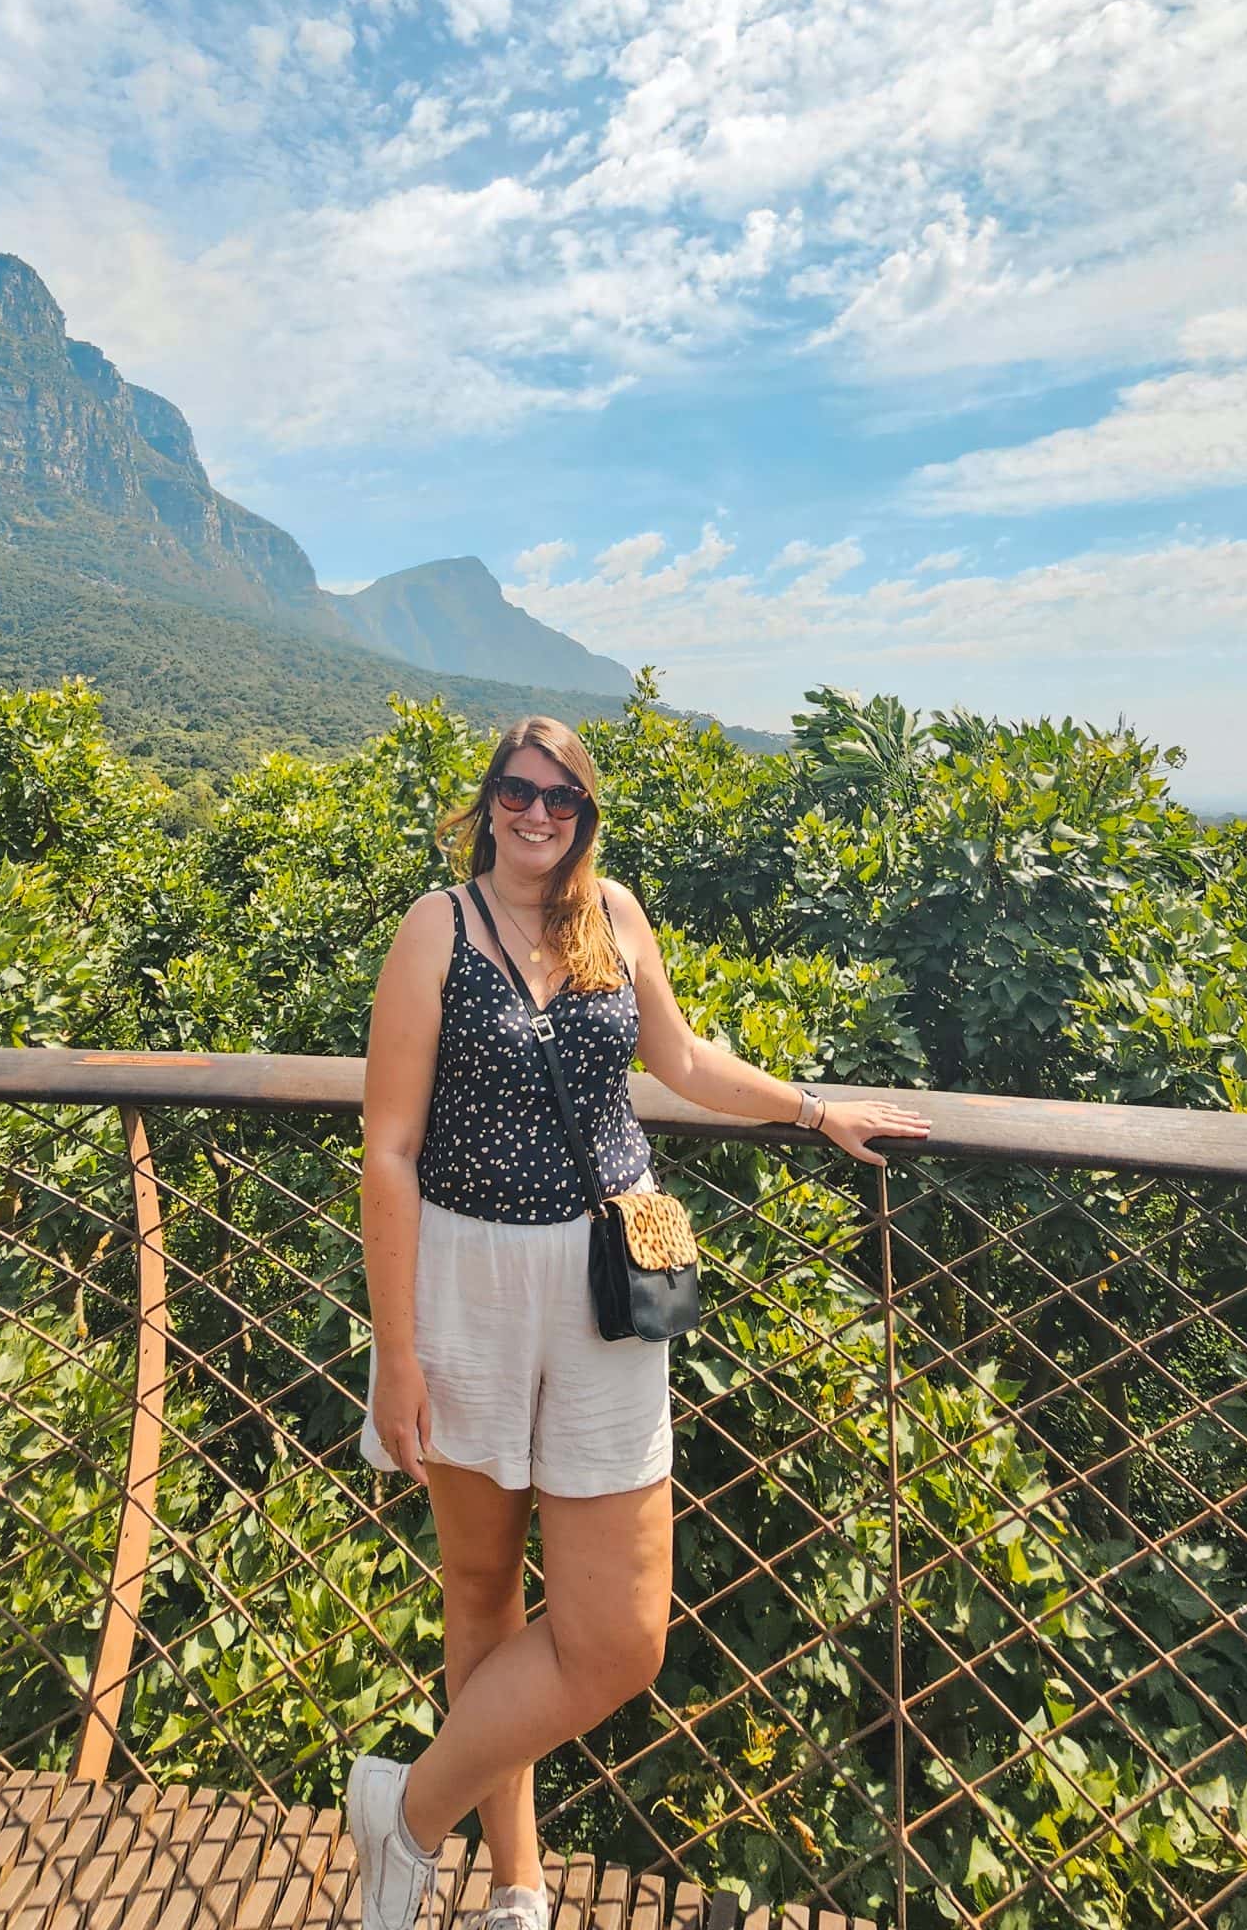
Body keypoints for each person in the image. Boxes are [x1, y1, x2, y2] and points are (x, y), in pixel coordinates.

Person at [345, 716, 932, 1930]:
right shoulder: (435, 930)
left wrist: (815, 1110)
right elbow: (390, 1149)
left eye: (562, 797)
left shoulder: (612, 913)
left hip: (609, 1282)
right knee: (481, 1586)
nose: (539, 814)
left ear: (586, 811)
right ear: (486, 801)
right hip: (469, 1279)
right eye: (518, 791)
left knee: (619, 1638)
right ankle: (516, 1885)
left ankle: (403, 1813)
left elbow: (680, 1060)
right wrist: (396, 1352)